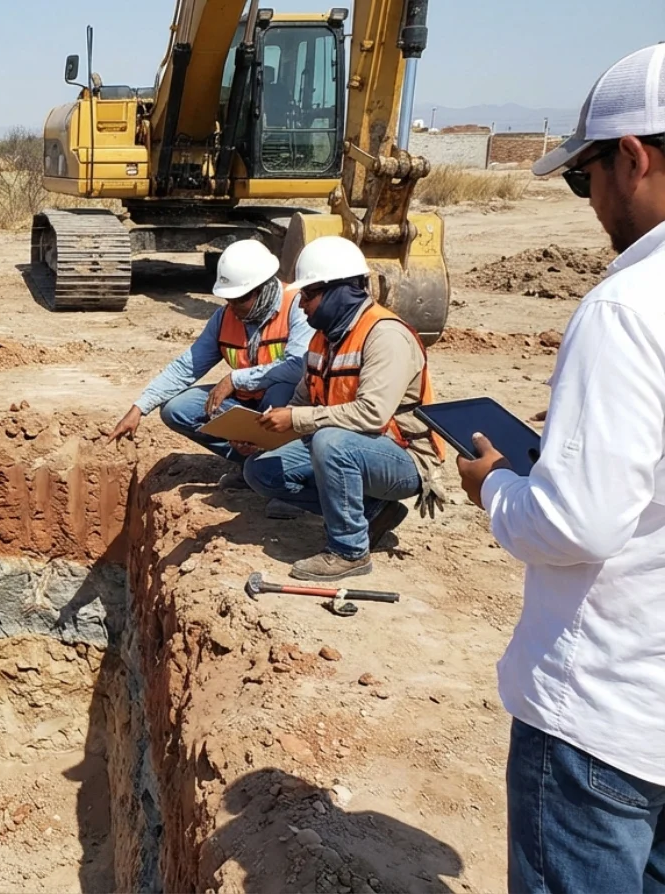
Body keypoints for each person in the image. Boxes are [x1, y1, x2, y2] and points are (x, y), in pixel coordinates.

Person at [456, 44, 665, 894]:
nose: (591, 206)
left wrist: (497, 488)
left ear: (634, 158)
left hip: (601, 719)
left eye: (585, 181)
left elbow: (578, 523)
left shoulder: (624, 307)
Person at [240, 235, 445, 582]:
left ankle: (349, 551)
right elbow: (303, 401)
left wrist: (297, 419)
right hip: (346, 444)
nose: (301, 305)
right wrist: (263, 435)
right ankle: (371, 510)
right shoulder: (324, 338)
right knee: (260, 471)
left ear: (340, 290)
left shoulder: (385, 335)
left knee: (330, 443)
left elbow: (372, 414)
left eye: (308, 295)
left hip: (403, 456)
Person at [109, 239, 310, 484]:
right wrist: (139, 408)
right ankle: (249, 462)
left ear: (263, 288)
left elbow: (296, 367)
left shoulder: (299, 306)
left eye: (239, 299)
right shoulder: (225, 317)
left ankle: (279, 471)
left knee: (280, 390)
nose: (232, 307)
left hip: (288, 404)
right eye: (229, 300)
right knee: (177, 409)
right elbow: (186, 366)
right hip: (250, 403)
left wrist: (236, 379)